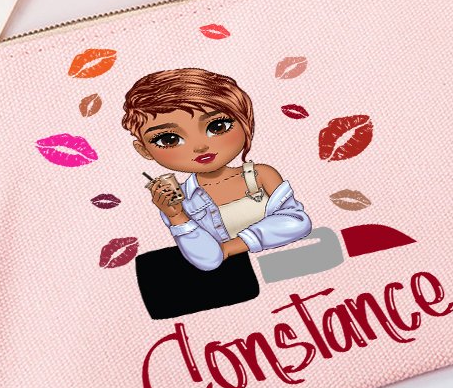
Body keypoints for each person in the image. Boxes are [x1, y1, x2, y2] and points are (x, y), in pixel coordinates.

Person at [122, 67, 312, 271]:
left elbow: (297, 222)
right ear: (144, 150)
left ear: (245, 120)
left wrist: (229, 248)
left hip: (293, 266)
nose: (200, 147)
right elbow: (208, 260)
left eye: (217, 126)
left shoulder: (260, 175)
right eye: (169, 139)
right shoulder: (178, 202)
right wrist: (177, 217)